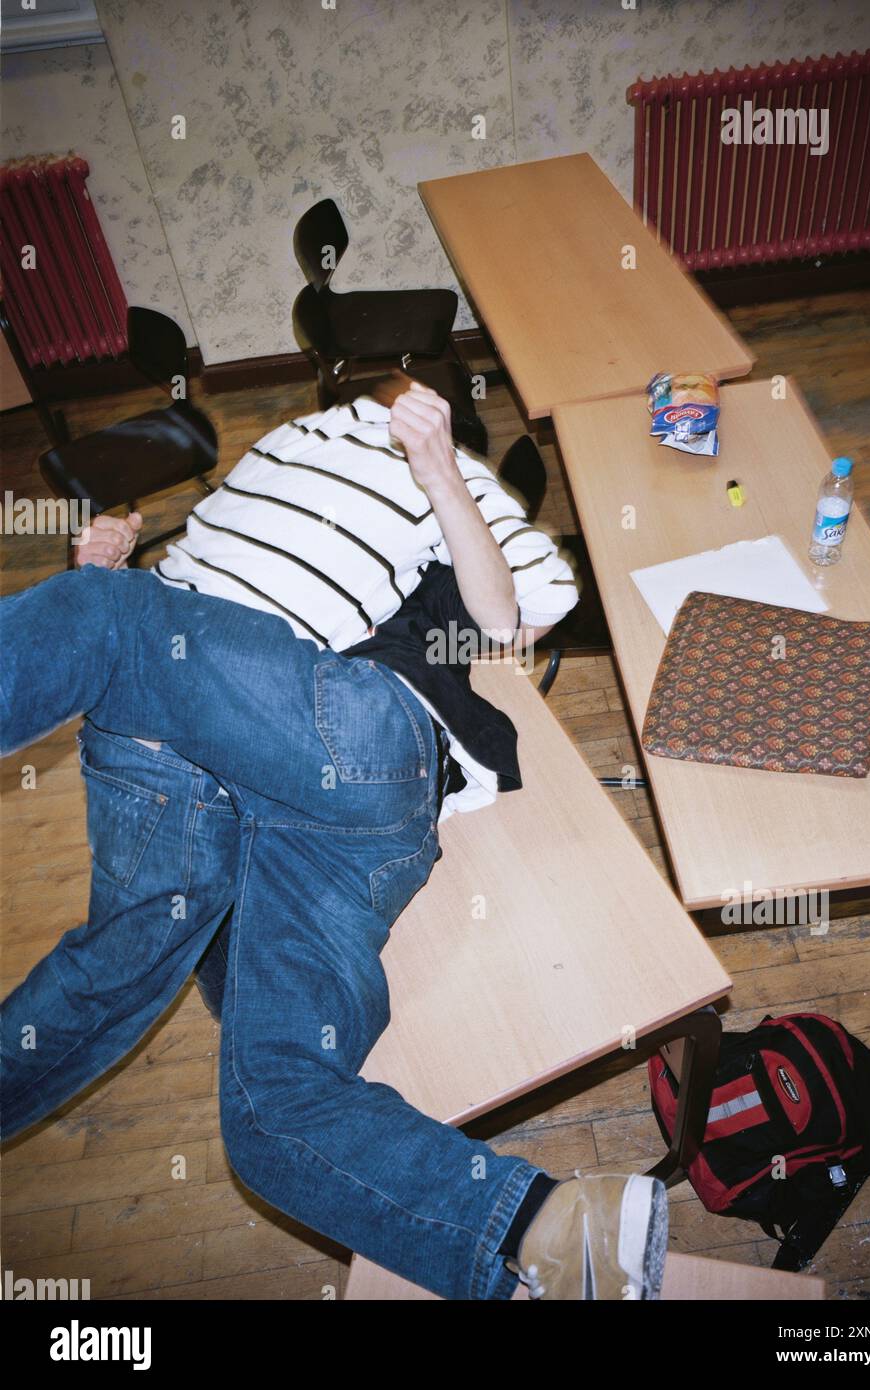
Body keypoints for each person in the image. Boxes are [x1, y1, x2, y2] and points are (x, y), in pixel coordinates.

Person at [0, 380, 668, 1300]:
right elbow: (198, 597)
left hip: (328, 740)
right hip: (204, 752)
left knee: (102, 618)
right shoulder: (287, 444)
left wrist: (440, 473)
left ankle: (105, 613)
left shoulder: (456, 486)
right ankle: (548, 1228)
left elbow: (517, 619)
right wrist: (110, 577)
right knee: (264, 1097)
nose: (385, 415)